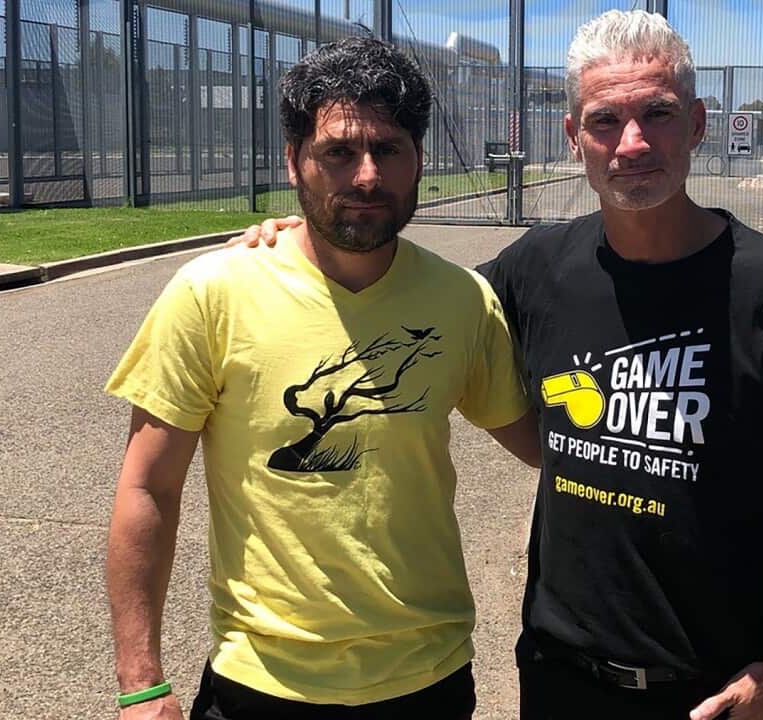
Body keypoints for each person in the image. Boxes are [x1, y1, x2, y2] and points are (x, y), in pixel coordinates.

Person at [230, 11, 763, 720]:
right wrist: (309, 236)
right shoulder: (537, 268)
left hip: (716, 687)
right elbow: (409, 301)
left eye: (656, 114)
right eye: (605, 121)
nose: (632, 143)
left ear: (695, 124)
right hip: (558, 674)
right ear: (575, 139)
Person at [105, 36, 539, 720]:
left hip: (425, 678)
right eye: (339, 151)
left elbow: (544, 443)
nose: (367, 175)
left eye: (388, 149)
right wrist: (141, 683)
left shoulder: (461, 301)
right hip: (263, 681)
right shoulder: (213, 293)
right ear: (293, 161)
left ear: (418, 158)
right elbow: (148, 487)